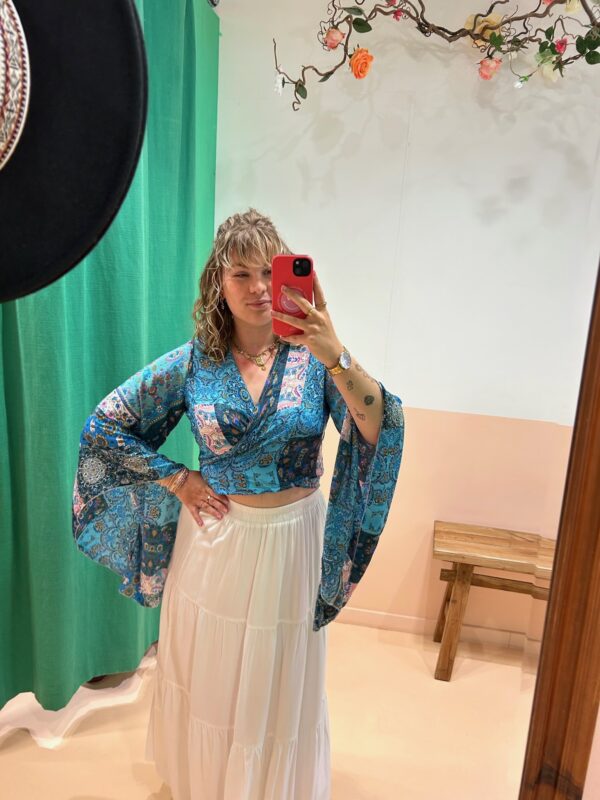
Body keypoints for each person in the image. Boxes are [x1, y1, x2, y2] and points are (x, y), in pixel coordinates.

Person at [72, 208, 405, 800]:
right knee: (215, 674)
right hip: (215, 543)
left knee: (278, 678)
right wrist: (178, 479)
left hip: (294, 540)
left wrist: (334, 350)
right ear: (218, 285)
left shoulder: (315, 360)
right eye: (240, 274)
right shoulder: (193, 362)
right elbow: (105, 426)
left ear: (288, 278)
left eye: (269, 273)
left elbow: (380, 427)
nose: (256, 288)